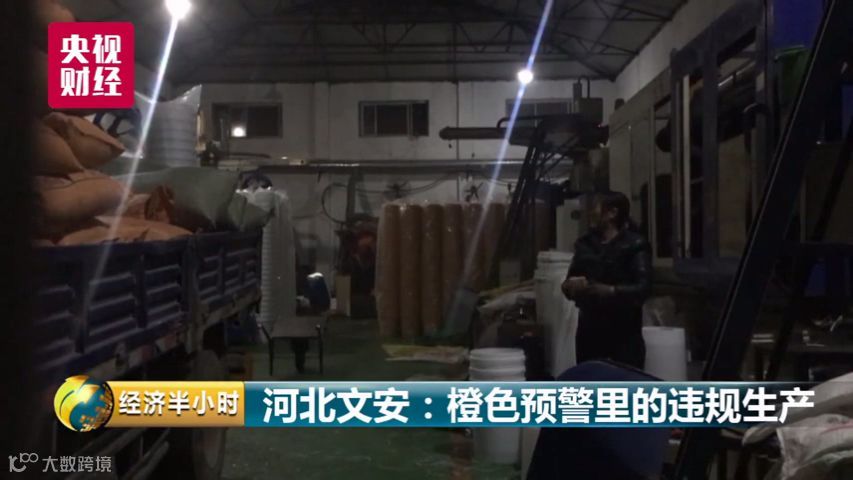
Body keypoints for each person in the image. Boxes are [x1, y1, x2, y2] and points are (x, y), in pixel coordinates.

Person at [561, 191, 651, 369]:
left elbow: (644, 288)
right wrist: (570, 286)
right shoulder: (585, 244)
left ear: (612, 213)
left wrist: (610, 291)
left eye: (595, 206)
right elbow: (567, 283)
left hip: (624, 336)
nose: (591, 212)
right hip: (589, 336)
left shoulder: (635, 245)